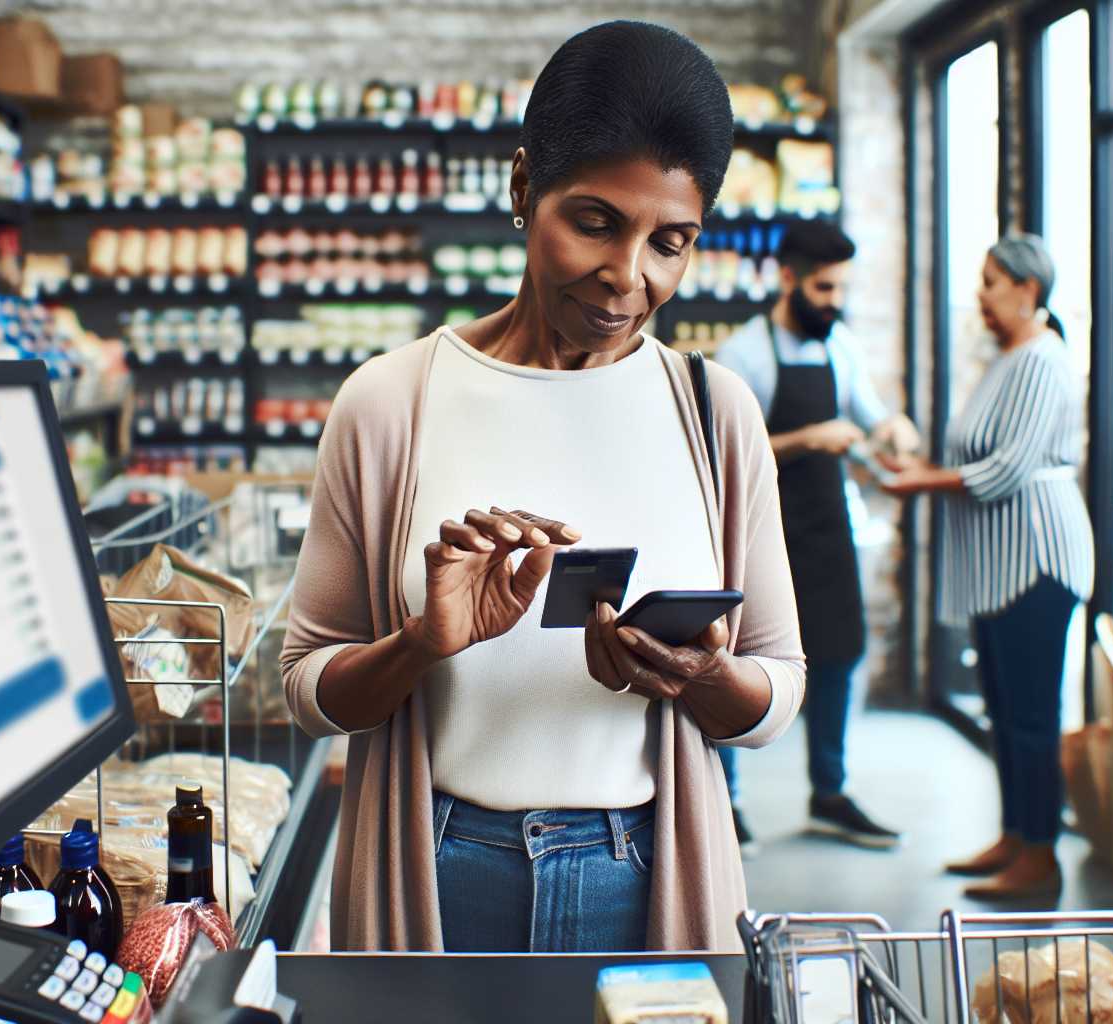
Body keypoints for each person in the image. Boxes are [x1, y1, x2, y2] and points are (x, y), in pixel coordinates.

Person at [279, 20, 806, 954]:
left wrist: (702, 679)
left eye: (669, 242)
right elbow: (309, 688)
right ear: (524, 187)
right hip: (436, 873)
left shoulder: (714, 413)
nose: (627, 276)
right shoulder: (392, 401)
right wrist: (419, 645)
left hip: (644, 876)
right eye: (596, 222)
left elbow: (778, 689)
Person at [879, 233, 1094, 899]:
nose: (981, 293)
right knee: (1004, 710)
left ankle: (1041, 856)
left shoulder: (1040, 361)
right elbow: (975, 455)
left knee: (1030, 715)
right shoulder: (1005, 357)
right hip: (1000, 567)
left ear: (1029, 292)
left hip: (1034, 560)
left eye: (993, 281)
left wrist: (921, 483)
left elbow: (1003, 473)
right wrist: (920, 469)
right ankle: (1016, 835)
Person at [715, 220, 918, 851]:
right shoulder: (744, 354)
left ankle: (829, 792)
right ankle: (727, 800)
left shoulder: (840, 345)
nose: (835, 301)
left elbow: (871, 415)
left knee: (839, 656)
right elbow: (725, 455)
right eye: (825, 288)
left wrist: (894, 431)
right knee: (735, 662)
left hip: (828, 529)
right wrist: (808, 439)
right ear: (788, 279)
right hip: (761, 535)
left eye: (841, 289)